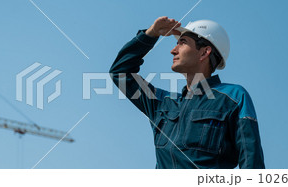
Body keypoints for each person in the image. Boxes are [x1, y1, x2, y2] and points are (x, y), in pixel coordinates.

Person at [109, 16, 265, 169]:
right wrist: (151, 34)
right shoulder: (162, 103)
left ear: (204, 52)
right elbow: (120, 73)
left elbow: (251, 163)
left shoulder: (234, 98)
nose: (173, 50)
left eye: (182, 43)